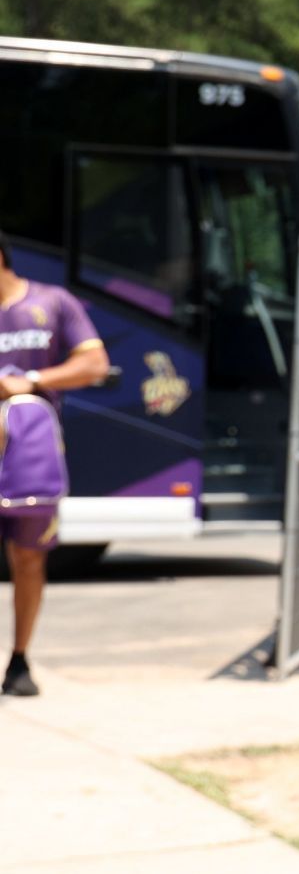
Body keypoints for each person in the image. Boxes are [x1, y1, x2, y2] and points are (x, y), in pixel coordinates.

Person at [0, 232, 109, 697]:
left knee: (28, 558)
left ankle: (20, 661)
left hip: (29, 454)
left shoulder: (51, 302)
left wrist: (32, 380)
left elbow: (95, 366)